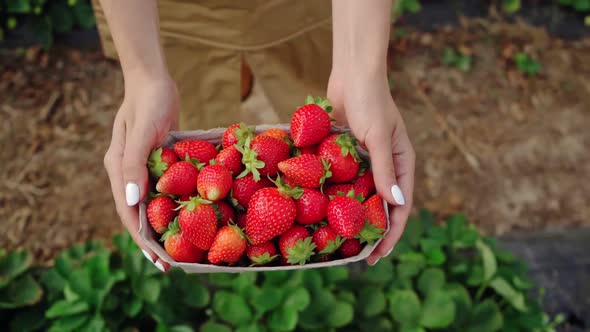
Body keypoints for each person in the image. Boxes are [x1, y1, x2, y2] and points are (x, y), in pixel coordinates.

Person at [98, 0, 415, 272]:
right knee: (195, 126)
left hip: (311, 15)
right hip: (164, 20)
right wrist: (144, 75)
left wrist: (360, 70)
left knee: (323, 115)